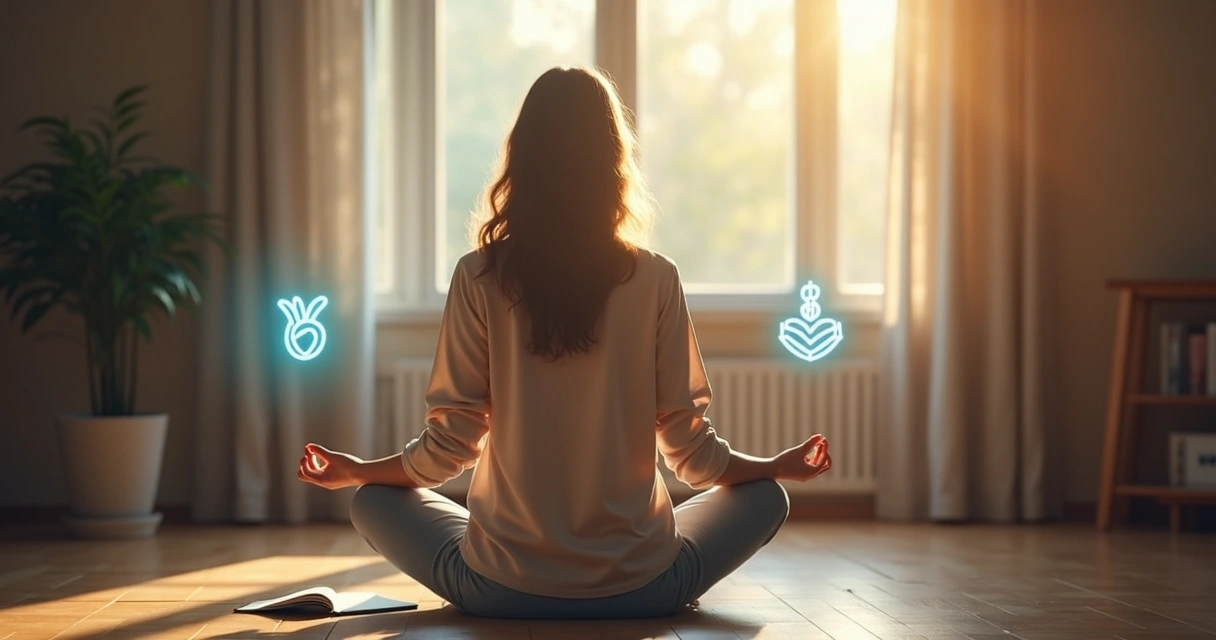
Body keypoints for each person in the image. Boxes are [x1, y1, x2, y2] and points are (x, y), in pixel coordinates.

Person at [296, 66, 832, 619]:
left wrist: (358, 470)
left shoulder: (478, 275)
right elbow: (693, 457)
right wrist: (777, 464)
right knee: (769, 495)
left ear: (521, 160)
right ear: (613, 165)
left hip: (499, 589)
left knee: (371, 500)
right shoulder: (655, 278)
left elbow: (447, 449)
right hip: (643, 587)